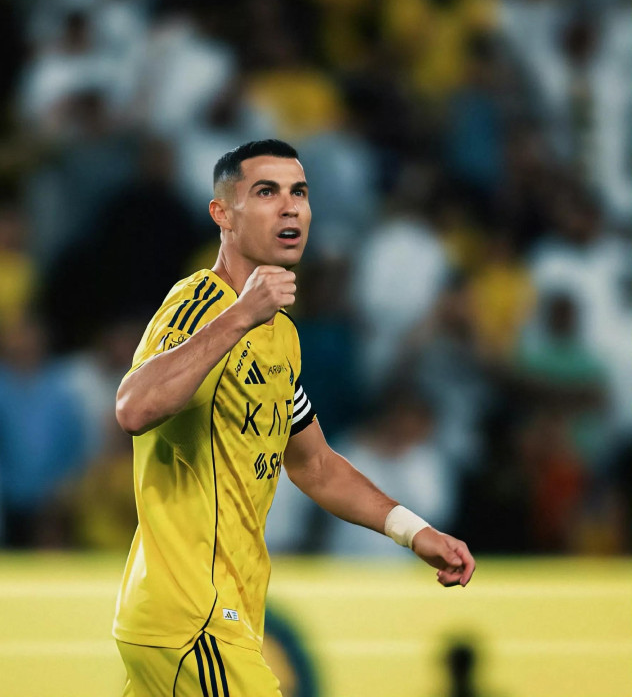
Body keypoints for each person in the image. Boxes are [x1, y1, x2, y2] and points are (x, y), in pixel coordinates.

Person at [113, 139, 475, 696]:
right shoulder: (200, 302)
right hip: (194, 617)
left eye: (299, 193)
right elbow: (134, 407)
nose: (290, 207)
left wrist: (413, 531)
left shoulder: (281, 336)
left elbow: (315, 465)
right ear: (222, 214)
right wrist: (241, 315)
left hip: (212, 618)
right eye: (266, 192)